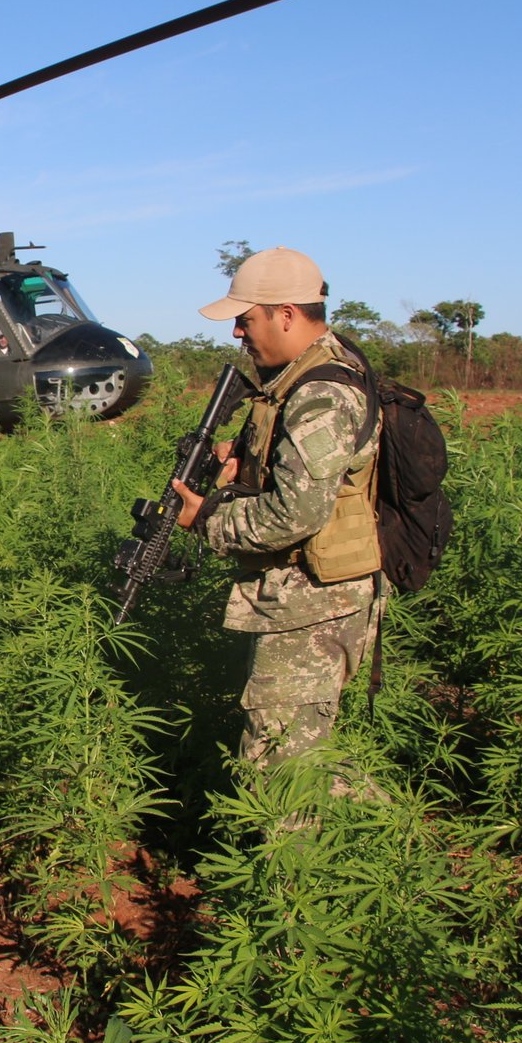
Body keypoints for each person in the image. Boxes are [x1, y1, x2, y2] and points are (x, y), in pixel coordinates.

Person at [169, 247, 382, 782]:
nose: (238, 334)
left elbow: (296, 512)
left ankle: (298, 865)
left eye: (245, 319)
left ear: (285, 314)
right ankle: (369, 848)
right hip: (309, 598)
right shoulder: (307, 375)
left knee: (280, 765)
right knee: (303, 751)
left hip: (315, 603)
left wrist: (208, 520)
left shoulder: (320, 391)